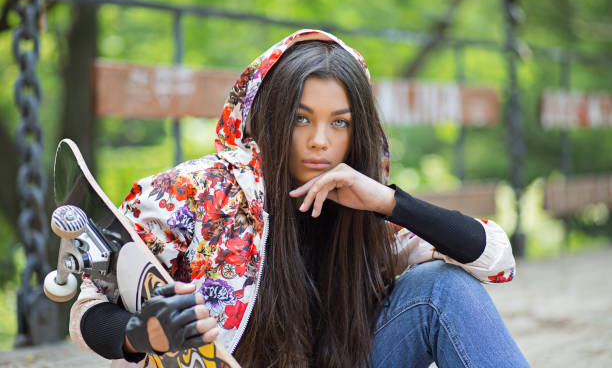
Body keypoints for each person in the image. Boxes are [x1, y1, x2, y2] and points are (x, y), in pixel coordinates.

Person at [69, 29, 529, 367]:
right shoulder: (198, 194)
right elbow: (88, 306)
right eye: (300, 119)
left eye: (339, 123)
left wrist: (390, 201)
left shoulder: (365, 209)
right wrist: (141, 334)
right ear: (270, 118)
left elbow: (497, 259)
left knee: (444, 288)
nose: (319, 142)